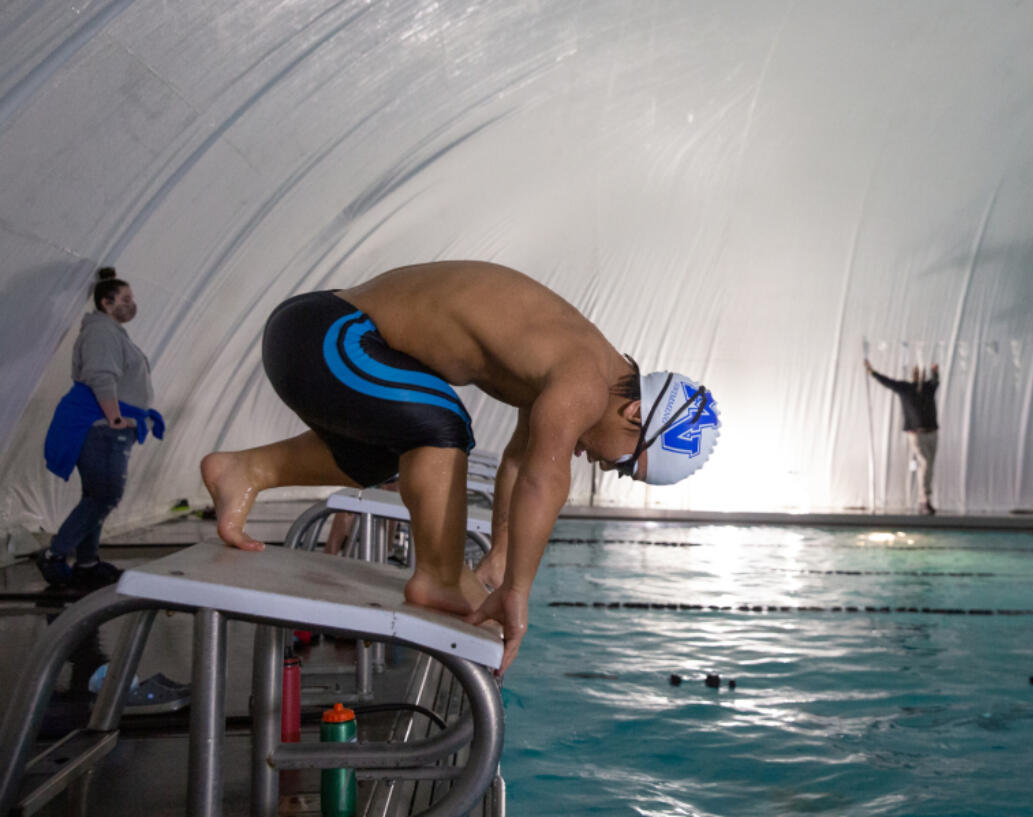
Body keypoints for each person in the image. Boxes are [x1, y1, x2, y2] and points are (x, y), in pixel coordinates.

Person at [201, 261, 720, 675]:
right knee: (442, 424)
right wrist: (518, 591)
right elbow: (546, 479)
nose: (606, 467)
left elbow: (520, 461)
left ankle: (248, 471)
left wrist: (500, 554)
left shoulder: (573, 366)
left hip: (319, 338)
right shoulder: (585, 379)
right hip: (326, 335)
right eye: (624, 463)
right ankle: (436, 575)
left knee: (395, 449)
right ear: (634, 415)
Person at [40, 268, 165, 590]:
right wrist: (114, 419)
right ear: (106, 302)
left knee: (96, 495)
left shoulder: (110, 331)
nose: (131, 304)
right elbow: (100, 376)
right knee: (106, 494)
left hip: (103, 426)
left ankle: (87, 564)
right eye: (125, 299)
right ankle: (54, 555)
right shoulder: (101, 333)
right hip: (100, 427)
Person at [864, 358, 939, 515]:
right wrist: (873, 372)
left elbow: (935, 381)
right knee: (925, 464)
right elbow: (888, 382)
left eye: (921, 372)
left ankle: (925, 500)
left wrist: (934, 371)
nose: (919, 374)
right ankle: (924, 500)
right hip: (917, 434)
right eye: (916, 372)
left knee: (929, 467)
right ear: (913, 374)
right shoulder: (905, 388)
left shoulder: (928, 388)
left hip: (932, 432)